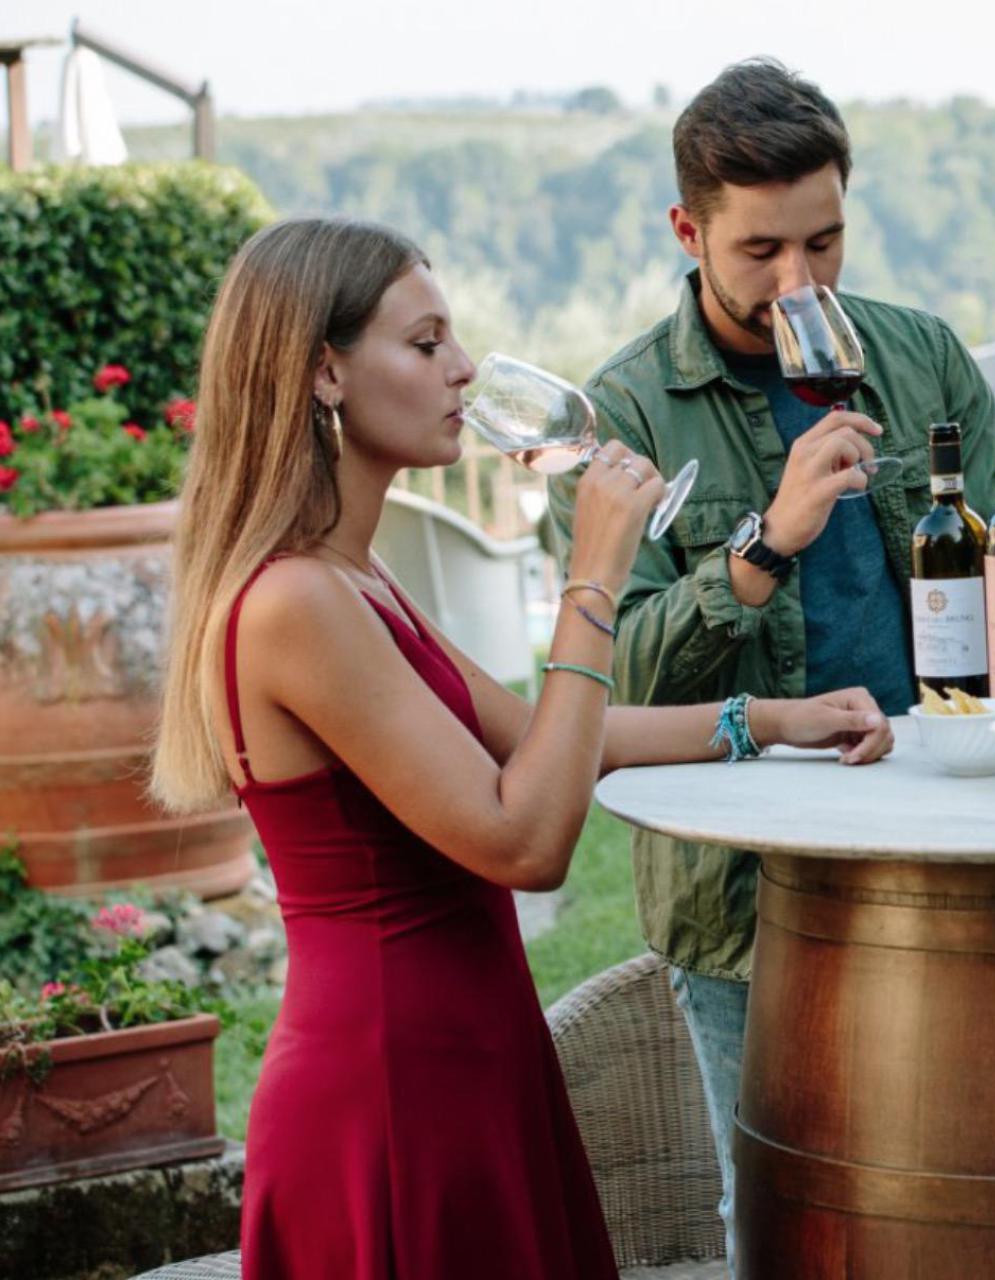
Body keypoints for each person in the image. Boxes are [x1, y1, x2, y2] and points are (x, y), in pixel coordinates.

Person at [149, 216, 894, 1279]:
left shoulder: (354, 577)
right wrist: (593, 576)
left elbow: (553, 740)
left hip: (470, 1057)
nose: (463, 369)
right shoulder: (293, 603)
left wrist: (771, 719)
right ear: (324, 371)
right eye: (425, 344)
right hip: (394, 1093)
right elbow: (525, 839)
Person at [544, 58, 995, 1264]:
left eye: (824, 243)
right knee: (782, 1207)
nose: (800, 282)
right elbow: (613, 685)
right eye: (762, 252)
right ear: (688, 229)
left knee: (989, 1174)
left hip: (955, 825)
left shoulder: (921, 353)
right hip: (747, 882)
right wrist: (764, 542)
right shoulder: (620, 411)